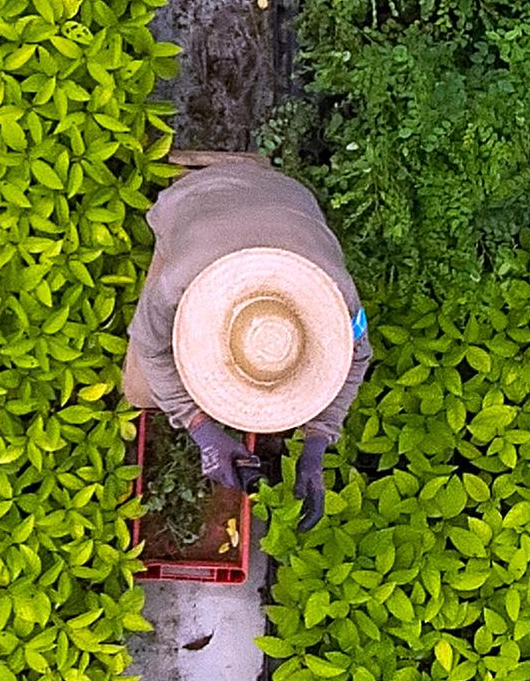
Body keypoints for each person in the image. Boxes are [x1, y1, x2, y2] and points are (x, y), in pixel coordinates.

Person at [124, 153, 370, 533]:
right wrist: (200, 428)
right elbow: (148, 342)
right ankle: (231, 172)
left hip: (289, 194)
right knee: (139, 389)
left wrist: (318, 442)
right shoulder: (179, 285)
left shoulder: (340, 297)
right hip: (195, 199)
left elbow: (358, 356)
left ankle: (247, 171)